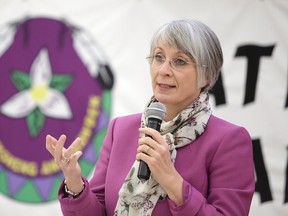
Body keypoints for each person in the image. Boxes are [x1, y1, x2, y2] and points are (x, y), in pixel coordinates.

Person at [46, 19, 255, 216]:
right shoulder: (121, 129)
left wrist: (171, 180)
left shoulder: (229, 140)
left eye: (180, 61)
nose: (163, 70)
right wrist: (75, 182)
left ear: (207, 75)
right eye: (159, 57)